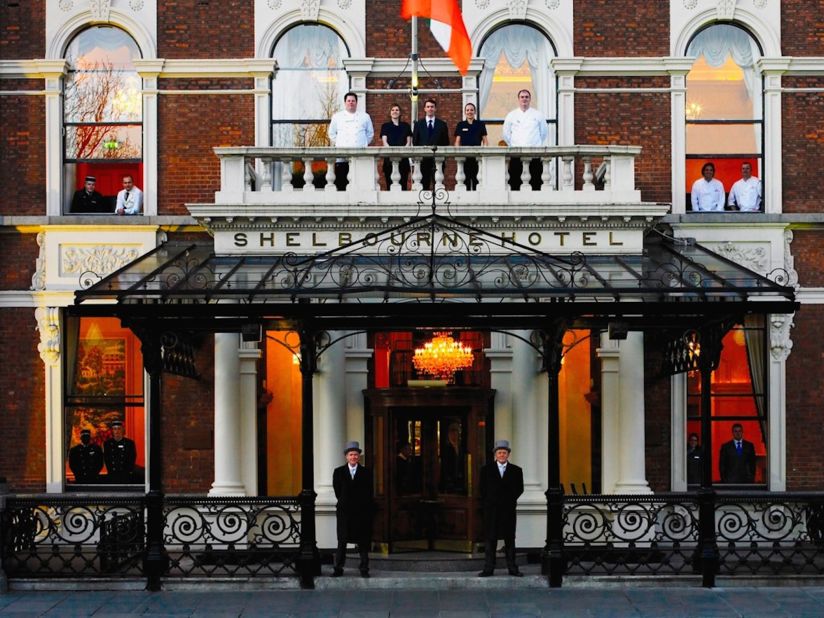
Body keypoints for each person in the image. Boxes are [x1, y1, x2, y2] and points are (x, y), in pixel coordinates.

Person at [478, 439, 524, 577]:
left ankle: (512, 568)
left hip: (508, 510)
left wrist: (509, 500)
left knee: (510, 539)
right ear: (495, 455)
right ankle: (489, 568)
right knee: (490, 539)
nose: (502, 455)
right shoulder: (486, 470)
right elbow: (482, 489)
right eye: (499, 452)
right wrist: (490, 502)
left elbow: (519, 488)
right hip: (491, 510)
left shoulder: (516, 470)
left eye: (504, 452)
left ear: (508, 454)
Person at [332, 440, 374, 577]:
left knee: (363, 542)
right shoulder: (338, 472)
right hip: (345, 512)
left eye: (356, 455)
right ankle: (338, 568)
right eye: (351, 454)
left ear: (359, 456)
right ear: (346, 456)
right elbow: (338, 491)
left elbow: (369, 492)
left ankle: (364, 569)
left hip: (361, 513)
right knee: (342, 541)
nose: (353, 457)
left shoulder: (366, 472)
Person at [327, 91, 374, 191]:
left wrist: (363, 144)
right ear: (345, 103)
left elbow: (370, 134)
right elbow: (332, 133)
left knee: (360, 185)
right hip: (342, 156)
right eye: (348, 101)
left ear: (356, 103)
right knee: (341, 184)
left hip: (360, 156)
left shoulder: (365, 117)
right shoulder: (337, 117)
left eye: (353, 101)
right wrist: (340, 143)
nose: (351, 103)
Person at [502, 89, 547, 191]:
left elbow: (543, 133)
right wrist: (514, 144)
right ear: (518, 99)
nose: (524, 99)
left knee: (536, 181)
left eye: (526, 97)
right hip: (516, 154)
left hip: (535, 154)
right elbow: (506, 134)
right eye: (522, 97)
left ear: (530, 99)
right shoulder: (511, 115)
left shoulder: (538, 115)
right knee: (515, 181)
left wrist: (535, 144)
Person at [412, 98, 450, 190]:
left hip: (437, 159)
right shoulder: (418, 124)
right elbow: (415, 142)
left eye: (432, 107)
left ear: (435, 109)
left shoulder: (442, 124)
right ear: (424, 109)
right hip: (423, 160)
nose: (430, 109)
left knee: (438, 186)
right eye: (428, 107)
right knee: (424, 184)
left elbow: (446, 142)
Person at [454, 102, 488, 190]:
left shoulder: (480, 124)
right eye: (467, 110)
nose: (470, 112)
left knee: (477, 180)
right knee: (466, 181)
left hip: (477, 157)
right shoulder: (461, 125)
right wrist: (458, 154)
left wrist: (484, 154)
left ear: (475, 112)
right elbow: (457, 142)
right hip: (465, 157)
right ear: (465, 112)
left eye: (472, 110)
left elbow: (485, 141)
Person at [380, 103, 412, 190]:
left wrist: (402, 153)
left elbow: (408, 142)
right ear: (390, 113)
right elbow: (385, 142)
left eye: (397, 110)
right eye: (393, 110)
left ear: (400, 112)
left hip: (403, 159)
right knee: (389, 184)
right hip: (389, 159)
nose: (395, 112)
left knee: (403, 185)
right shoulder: (385, 126)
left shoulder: (406, 126)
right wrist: (392, 153)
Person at [440, 422, 465, 493]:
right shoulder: (446, 448)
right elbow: (444, 466)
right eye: (451, 431)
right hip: (449, 482)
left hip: (459, 480)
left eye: (455, 431)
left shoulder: (461, 447)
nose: (453, 434)